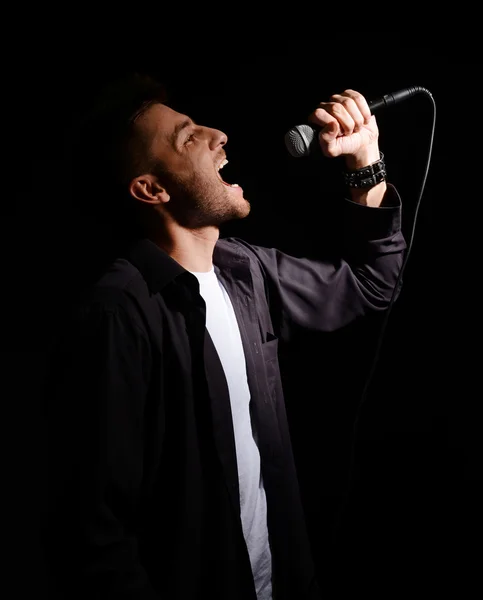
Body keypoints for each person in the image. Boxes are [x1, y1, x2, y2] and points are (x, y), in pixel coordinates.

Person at [43, 72, 406, 600]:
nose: (219, 136)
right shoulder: (118, 314)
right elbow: (93, 534)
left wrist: (364, 162)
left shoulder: (245, 271)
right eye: (188, 137)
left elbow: (372, 284)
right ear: (152, 189)